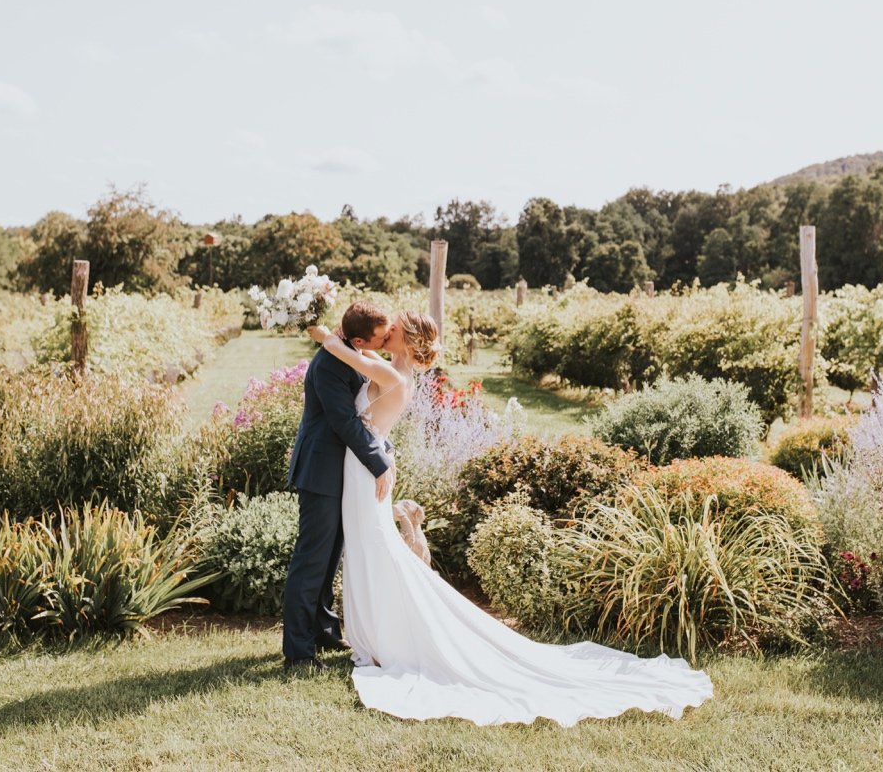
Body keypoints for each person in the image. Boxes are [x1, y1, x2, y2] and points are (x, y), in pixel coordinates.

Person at [304, 309, 716, 727]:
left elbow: (342, 351)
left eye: (391, 329)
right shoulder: (391, 370)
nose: (384, 332)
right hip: (365, 468)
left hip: (365, 470)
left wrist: (320, 329)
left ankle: (387, 639)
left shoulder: (394, 375)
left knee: (376, 548)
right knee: (371, 547)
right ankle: (377, 636)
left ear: (406, 341)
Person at [280, 301, 395, 670]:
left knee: (330, 557)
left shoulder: (348, 350)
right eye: (380, 337)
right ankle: (298, 652)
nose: (386, 340)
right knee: (311, 560)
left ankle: (323, 630)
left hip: (340, 471)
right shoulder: (331, 364)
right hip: (321, 470)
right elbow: (344, 421)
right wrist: (378, 464)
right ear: (360, 338)